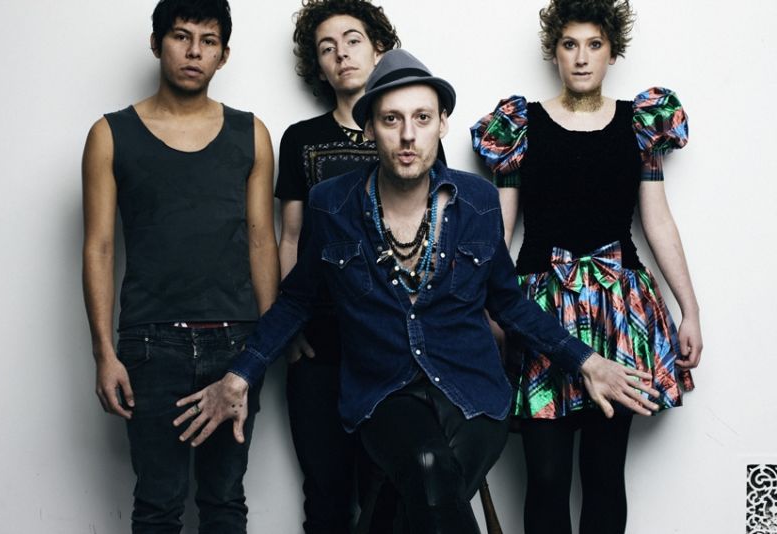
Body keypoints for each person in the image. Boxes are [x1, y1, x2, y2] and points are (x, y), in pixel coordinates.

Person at [173, 48, 660, 534]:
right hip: (384, 393)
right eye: (392, 119)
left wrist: (586, 361)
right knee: (428, 467)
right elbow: (297, 300)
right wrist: (240, 374)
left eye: (422, 118)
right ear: (369, 128)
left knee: (424, 491)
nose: (408, 135)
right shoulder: (331, 205)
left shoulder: (478, 200)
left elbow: (508, 302)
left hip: (473, 391)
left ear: (441, 124)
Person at [471, 1, 702, 533]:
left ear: (612, 52)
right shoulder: (520, 126)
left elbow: (658, 222)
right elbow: (499, 231)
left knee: (604, 474)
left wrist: (689, 310)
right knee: (546, 477)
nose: (581, 58)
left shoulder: (640, 125)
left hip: (618, 310)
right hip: (539, 309)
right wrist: (489, 312)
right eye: (570, 45)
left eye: (594, 45)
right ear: (554, 52)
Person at [81, 0, 278, 531]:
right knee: (157, 505)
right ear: (156, 43)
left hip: (236, 342)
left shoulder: (251, 133)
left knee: (224, 500)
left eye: (208, 41)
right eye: (180, 36)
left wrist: (265, 348)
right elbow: (99, 247)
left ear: (224, 54)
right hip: (150, 344)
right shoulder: (110, 134)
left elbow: (262, 241)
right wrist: (103, 353)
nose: (194, 51)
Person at [275, 2, 400, 531]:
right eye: (327, 48)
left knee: (387, 496)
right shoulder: (300, 139)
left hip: (391, 344)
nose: (341, 54)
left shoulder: (406, 132)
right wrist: (290, 326)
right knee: (325, 498)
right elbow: (290, 237)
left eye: (352, 40)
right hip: (319, 343)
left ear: (378, 49)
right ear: (319, 68)